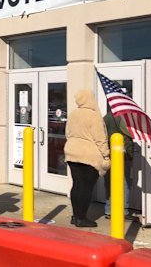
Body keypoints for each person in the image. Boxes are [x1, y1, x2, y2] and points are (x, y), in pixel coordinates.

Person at [64, 89, 110, 228]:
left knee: (77, 185)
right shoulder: (94, 115)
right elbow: (100, 138)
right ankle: (82, 218)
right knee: (86, 187)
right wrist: (106, 156)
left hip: (72, 152)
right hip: (89, 155)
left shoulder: (73, 113)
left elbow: (67, 133)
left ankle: (76, 215)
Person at [103, 112, 136, 220]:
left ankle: (108, 210)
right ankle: (124, 211)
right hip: (122, 154)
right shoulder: (123, 118)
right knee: (125, 182)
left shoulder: (107, 117)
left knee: (109, 182)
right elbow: (130, 134)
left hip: (109, 152)